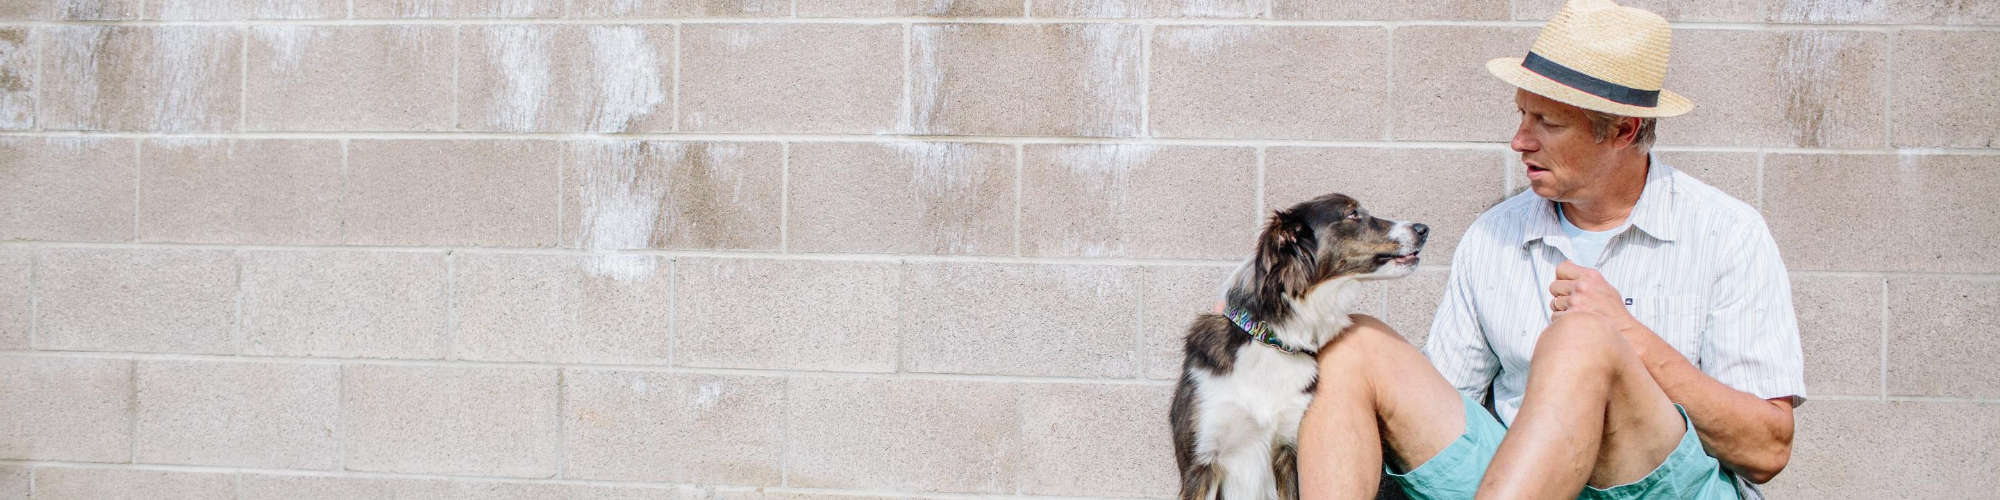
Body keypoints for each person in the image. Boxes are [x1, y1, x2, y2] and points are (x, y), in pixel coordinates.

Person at [1294, 1, 1807, 499]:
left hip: (1656, 483)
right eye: (1522, 115)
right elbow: (1444, 406)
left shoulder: (1728, 233)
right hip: (1516, 476)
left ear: (1623, 130)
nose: (1520, 141)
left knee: (1581, 338)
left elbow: (1767, 450)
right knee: (1350, 342)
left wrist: (1629, 337)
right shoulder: (1493, 236)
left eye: (1548, 123)